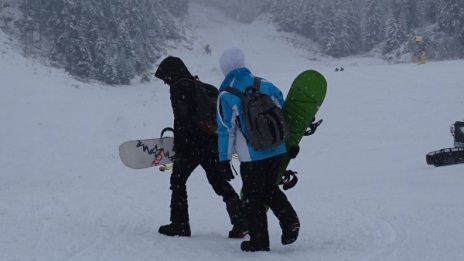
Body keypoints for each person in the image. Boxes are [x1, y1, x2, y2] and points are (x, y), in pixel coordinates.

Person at [216, 48, 300, 252]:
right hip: (276, 148)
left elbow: (226, 131)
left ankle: (259, 242)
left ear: (225, 69)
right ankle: (289, 221)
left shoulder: (226, 95)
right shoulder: (264, 84)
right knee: (268, 189)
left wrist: (224, 160)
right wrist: (289, 142)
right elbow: (283, 111)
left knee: (253, 198)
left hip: (251, 156)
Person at [154, 56, 247, 238]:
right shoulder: (203, 86)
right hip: (211, 143)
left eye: (165, 77)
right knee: (220, 183)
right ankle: (242, 223)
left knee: (178, 181)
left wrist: (180, 147)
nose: (165, 81)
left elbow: (182, 121)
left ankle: (180, 224)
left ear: (171, 73)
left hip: (191, 145)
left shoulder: (179, 87)